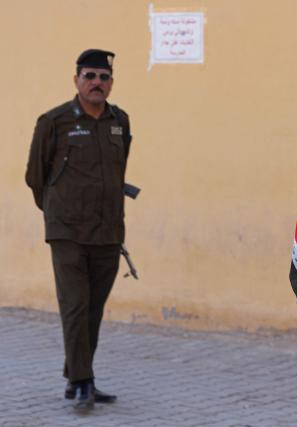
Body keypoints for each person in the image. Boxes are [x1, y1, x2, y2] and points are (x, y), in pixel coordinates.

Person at [25, 49, 132, 410]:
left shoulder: (120, 121)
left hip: (108, 231)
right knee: (75, 305)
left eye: (103, 77)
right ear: (76, 80)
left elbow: (118, 171)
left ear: (111, 83)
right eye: (89, 76)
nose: (97, 83)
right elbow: (35, 176)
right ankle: (84, 382)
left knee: (93, 309)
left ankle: (77, 376)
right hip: (67, 232)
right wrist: (59, 212)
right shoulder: (53, 122)